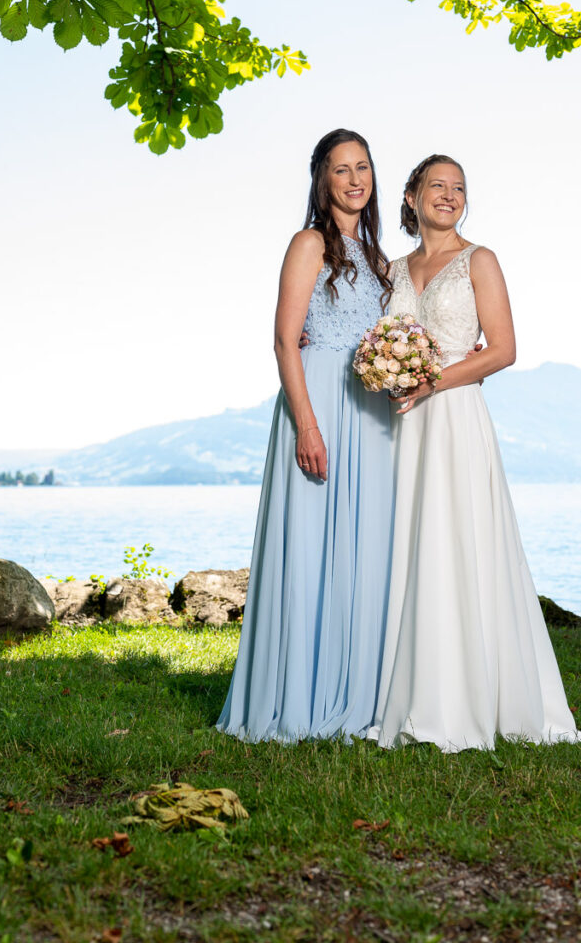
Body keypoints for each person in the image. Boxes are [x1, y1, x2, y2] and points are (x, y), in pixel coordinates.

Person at [368, 154, 578, 752]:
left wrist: (433, 380)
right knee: (407, 546)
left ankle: (468, 693)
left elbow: (504, 348)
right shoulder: (390, 267)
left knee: (460, 544)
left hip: (454, 419)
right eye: (437, 185)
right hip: (399, 426)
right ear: (410, 197)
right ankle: (398, 686)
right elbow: (365, 332)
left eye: (459, 188)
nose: (450, 195)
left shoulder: (479, 260)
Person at [216, 129, 394, 742]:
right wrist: (307, 424)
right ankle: (298, 694)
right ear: (322, 179)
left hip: (371, 414)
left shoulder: (376, 257)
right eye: (341, 169)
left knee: (364, 550)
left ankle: (360, 690)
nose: (354, 179)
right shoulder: (308, 243)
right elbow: (284, 339)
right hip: (317, 403)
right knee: (312, 545)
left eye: (363, 167)